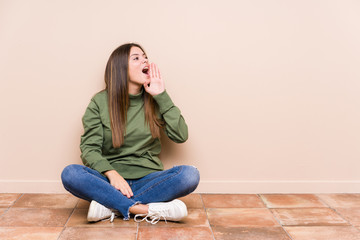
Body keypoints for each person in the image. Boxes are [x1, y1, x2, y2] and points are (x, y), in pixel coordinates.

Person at [61, 43, 200, 224]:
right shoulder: (99, 102)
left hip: (149, 180)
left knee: (190, 175)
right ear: (120, 69)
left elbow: (181, 135)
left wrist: (161, 95)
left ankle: (111, 205)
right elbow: (89, 149)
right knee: (70, 173)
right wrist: (113, 174)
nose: (145, 61)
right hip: (110, 181)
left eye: (145, 57)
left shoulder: (155, 98)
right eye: (136, 58)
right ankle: (144, 209)